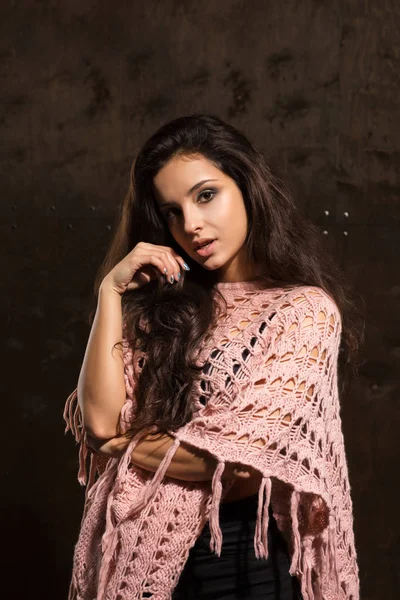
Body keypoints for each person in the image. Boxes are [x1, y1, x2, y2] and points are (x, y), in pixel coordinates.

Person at [64, 114, 364, 600]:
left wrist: (123, 447)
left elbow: (242, 469)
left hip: (244, 560)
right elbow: (97, 421)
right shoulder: (161, 313)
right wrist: (110, 292)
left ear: (245, 185)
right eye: (172, 212)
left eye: (206, 195)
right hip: (136, 558)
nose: (192, 225)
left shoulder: (302, 312)